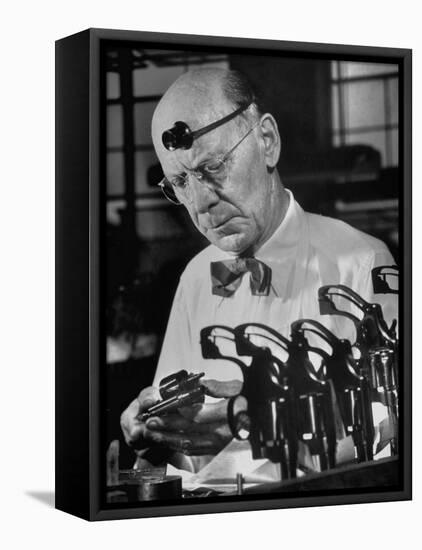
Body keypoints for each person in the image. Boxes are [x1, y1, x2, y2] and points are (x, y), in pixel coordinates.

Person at [120, 68, 398, 487]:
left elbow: (392, 440)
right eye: (179, 182)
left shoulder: (361, 264)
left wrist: (256, 420)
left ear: (267, 142)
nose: (200, 204)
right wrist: (156, 434)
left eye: (212, 167)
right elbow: (183, 458)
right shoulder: (197, 278)